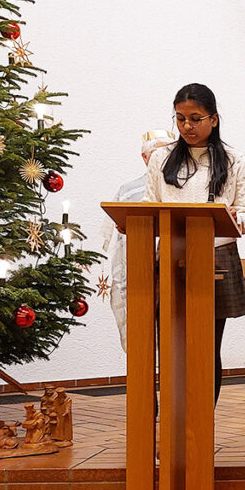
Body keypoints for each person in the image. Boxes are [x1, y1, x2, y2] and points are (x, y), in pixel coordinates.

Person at [143, 84, 245, 404]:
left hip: (216, 259)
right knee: (170, 346)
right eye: (180, 118)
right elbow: (149, 208)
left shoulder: (235, 160)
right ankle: (172, 418)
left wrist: (235, 218)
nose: (187, 126)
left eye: (195, 118)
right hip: (169, 258)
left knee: (206, 347)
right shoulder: (161, 158)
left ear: (214, 119)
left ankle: (202, 422)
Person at [101, 129, 175, 350]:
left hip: (173, 267)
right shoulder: (128, 191)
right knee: (141, 333)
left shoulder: (183, 187)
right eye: (158, 154)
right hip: (138, 270)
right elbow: (115, 238)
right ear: (145, 157)